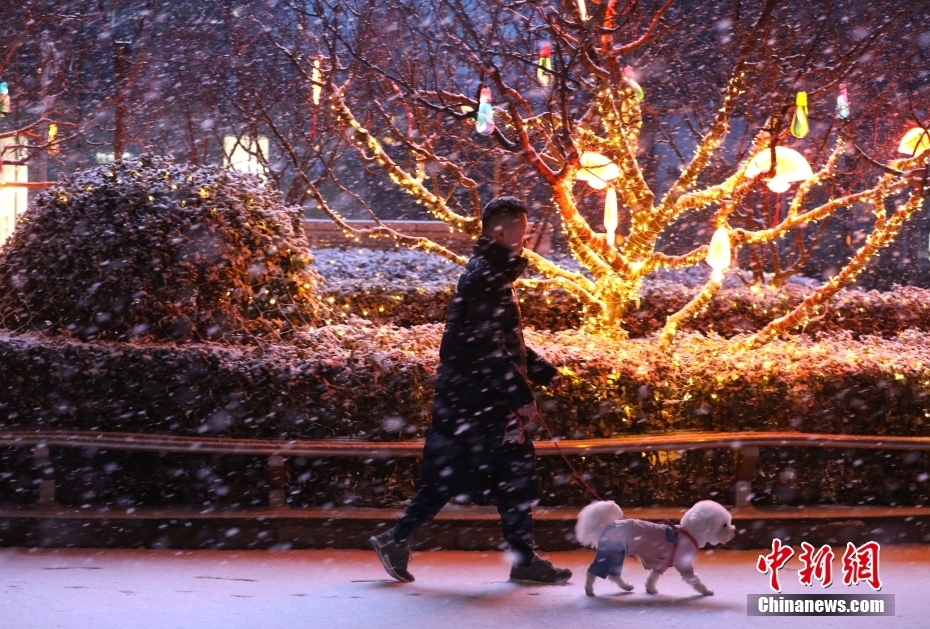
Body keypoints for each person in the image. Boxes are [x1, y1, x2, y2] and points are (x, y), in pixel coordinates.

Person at [370, 197, 571, 585]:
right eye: (521, 231)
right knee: (456, 476)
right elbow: (486, 346)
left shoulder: (491, 274)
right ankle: (396, 538)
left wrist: (541, 371)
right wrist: (521, 396)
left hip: (479, 400)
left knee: (508, 476)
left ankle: (523, 558)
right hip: (476, 403)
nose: (525, 239)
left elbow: (499, 341)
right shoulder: (486, 277)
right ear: (500, 232)